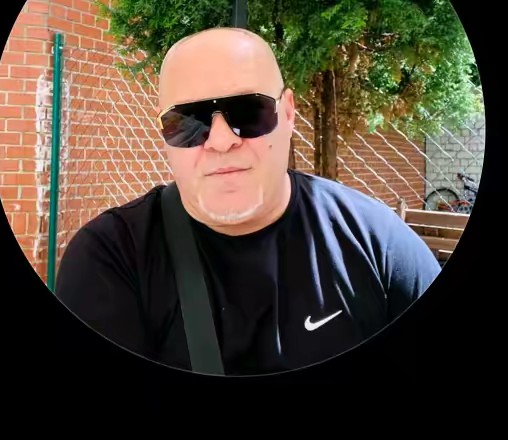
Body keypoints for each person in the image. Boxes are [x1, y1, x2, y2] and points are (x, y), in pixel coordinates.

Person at [55, 27, 441, 376]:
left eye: (248, 111)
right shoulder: (111, 259)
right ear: (164, 133)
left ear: (288, 113)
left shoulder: (378, 244)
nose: (222, 141)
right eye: (188, 122)